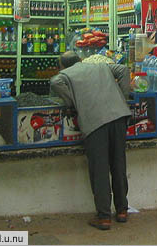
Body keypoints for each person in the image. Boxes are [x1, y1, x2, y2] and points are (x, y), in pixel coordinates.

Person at [50, 51, 131, 230]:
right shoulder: (100, 65)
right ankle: (122, 210)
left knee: (100, 169)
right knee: (119, 163)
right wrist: (123, 99)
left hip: (95, 121)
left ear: (62, 66)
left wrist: (72, 102)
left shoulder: (65, 74)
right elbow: (124, 70)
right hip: (119, 117)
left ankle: (103, 217)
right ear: (80, 60)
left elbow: (54, 82)